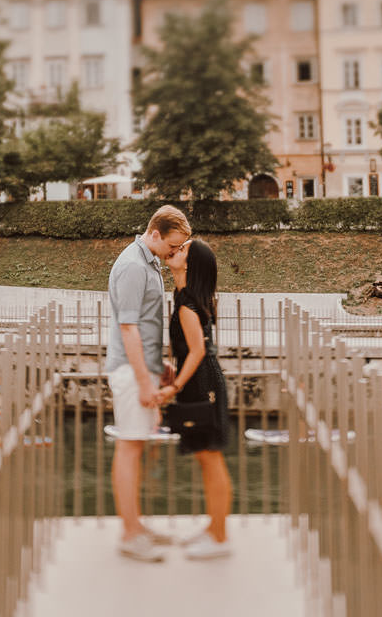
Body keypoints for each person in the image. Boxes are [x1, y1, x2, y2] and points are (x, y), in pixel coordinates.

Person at [107, 204, 190, 562]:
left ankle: (137, 526)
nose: (175, 253)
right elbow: (128, 328)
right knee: (129, 446)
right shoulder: (131, 266)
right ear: (154, 233)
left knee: (136, 446)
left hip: (143, 368)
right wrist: (144, 381)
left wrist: (159, 369)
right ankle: (129, 533)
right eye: (173, 246)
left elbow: (147, 323)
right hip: (130, 371)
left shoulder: (150, 263)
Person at [156, 238, 233, 560]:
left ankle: (219, 537)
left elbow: (198, 351)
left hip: (203, 385)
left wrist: (172, 388)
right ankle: (213, 529)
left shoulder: (188, 304)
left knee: (211, 459)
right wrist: (176, 371)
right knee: (207, 458)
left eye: (183, 249)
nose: (175, 250)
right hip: (200, 381)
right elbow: (191, 349)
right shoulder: (185, 297)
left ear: (191, 264)